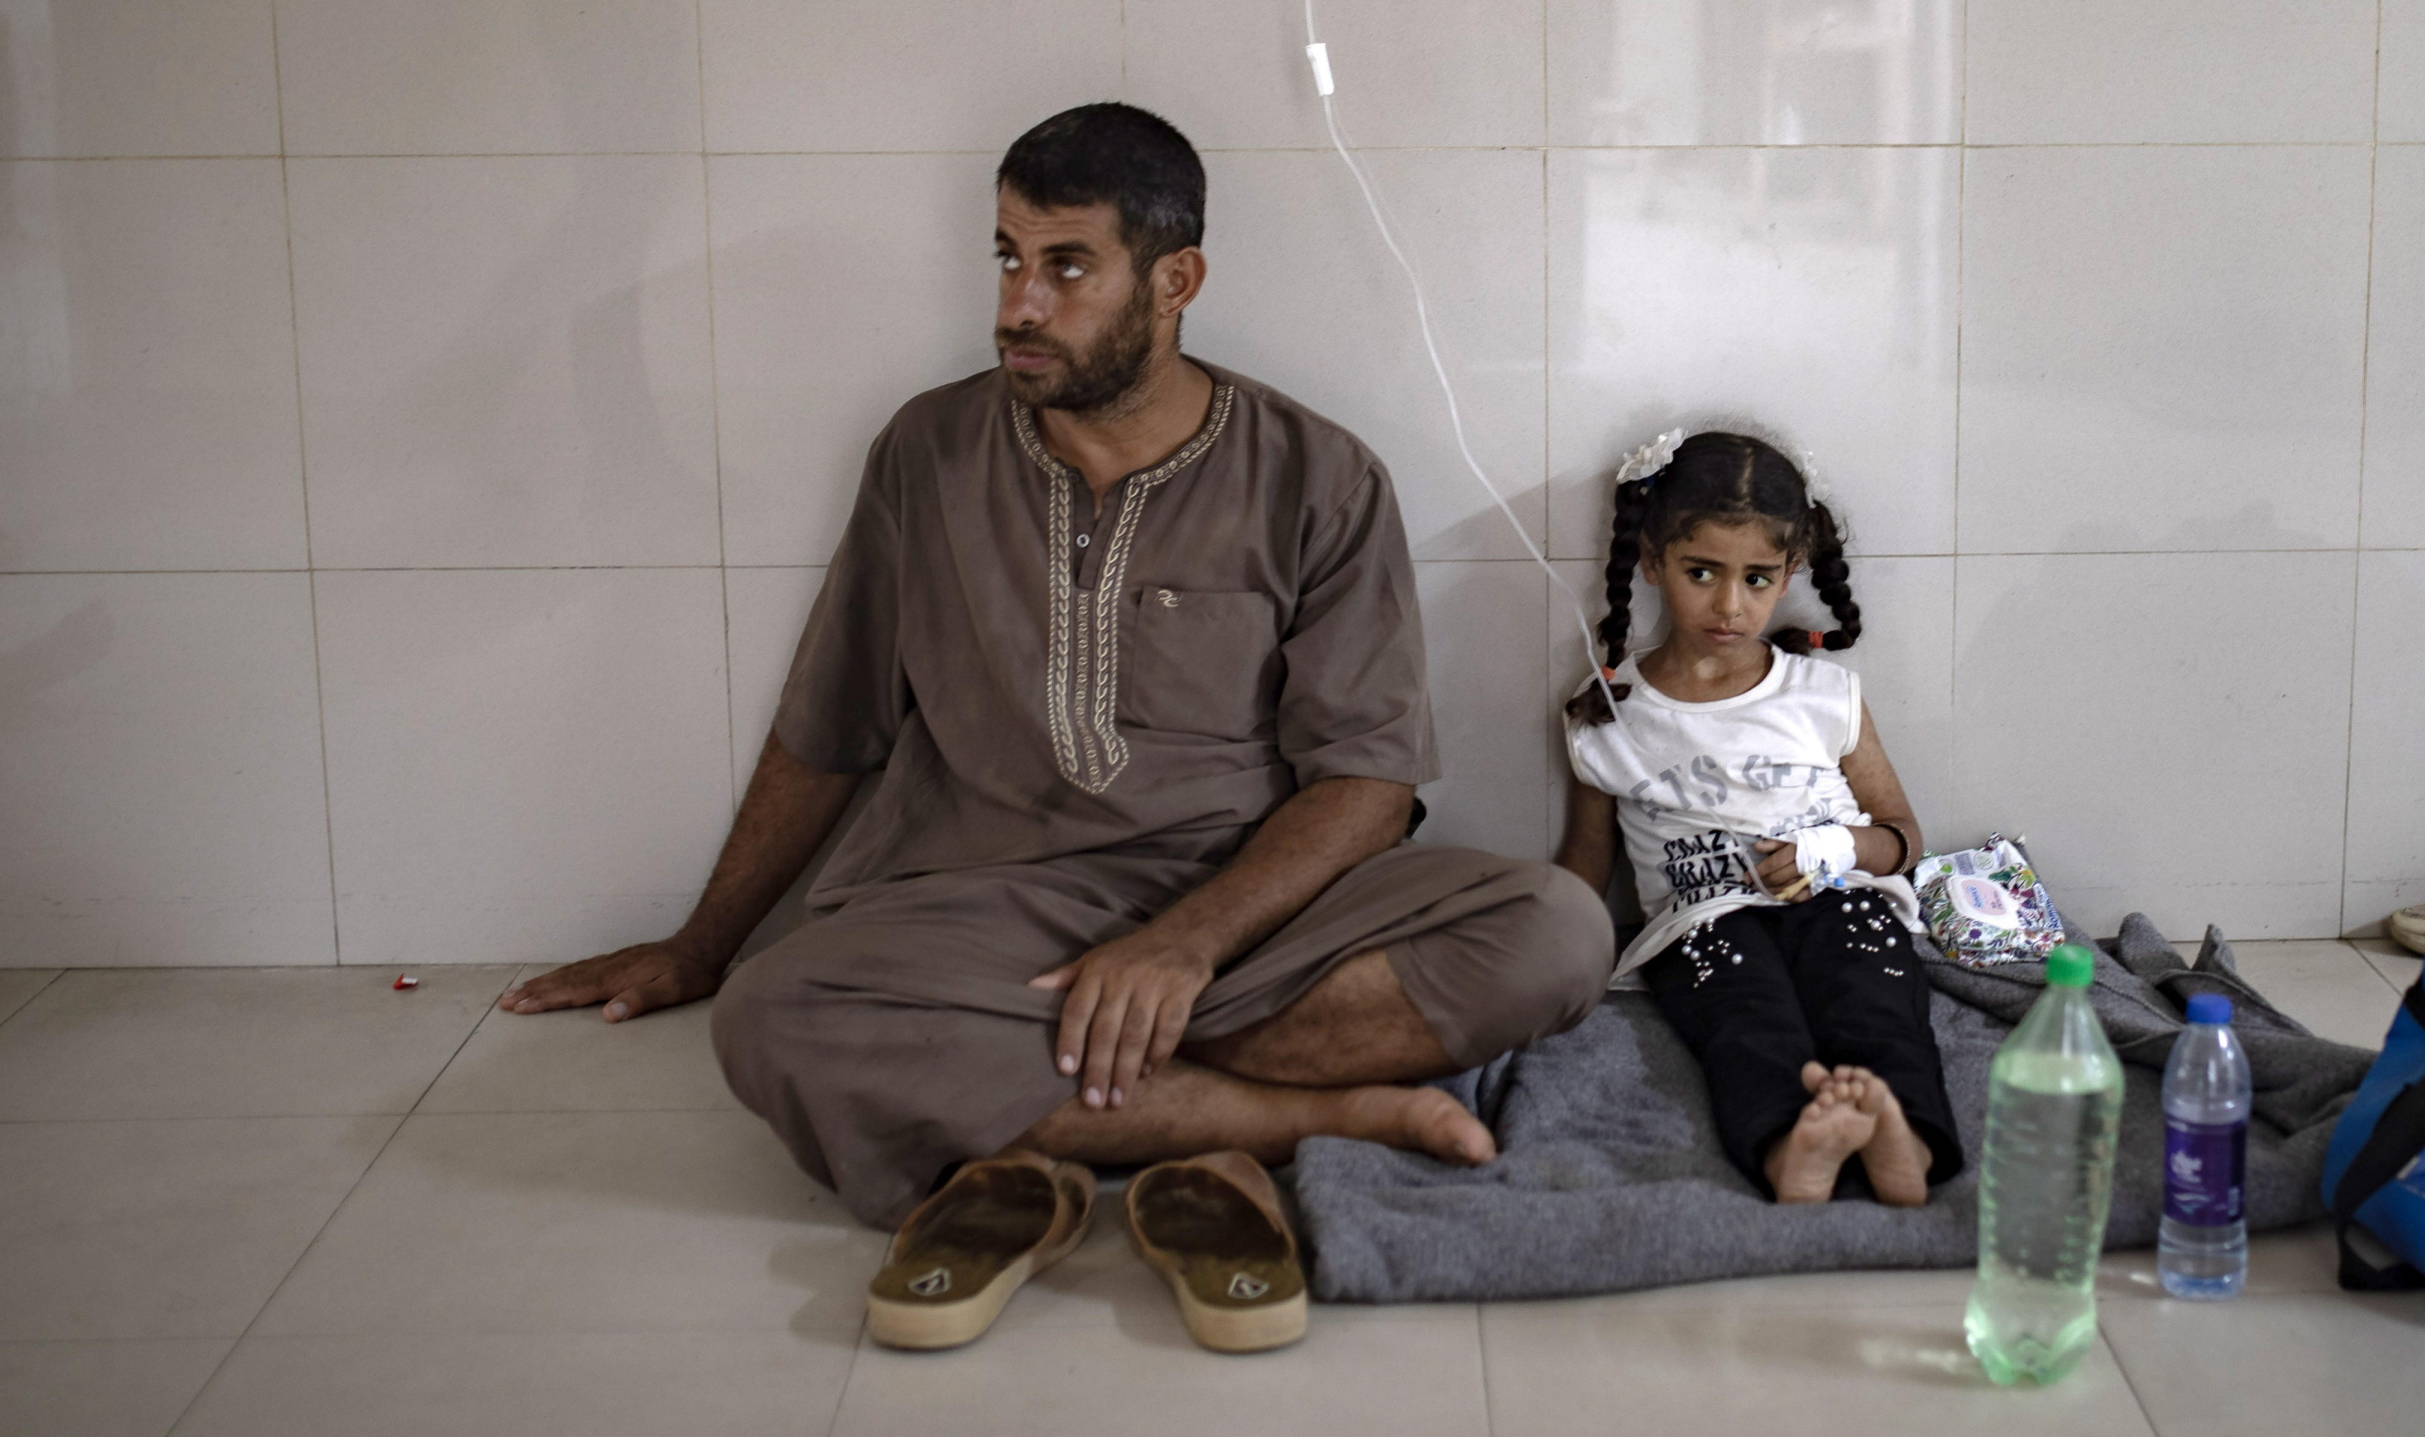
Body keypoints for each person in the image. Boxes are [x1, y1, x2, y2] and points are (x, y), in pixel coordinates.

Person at [499, 103, 1612, 1231]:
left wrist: (1181, 945)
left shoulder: (1316, 476)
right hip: (981, 906)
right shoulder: (927, 453)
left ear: (1175, 280)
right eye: (1009, 258)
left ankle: (1060, 1073)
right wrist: (703, 943)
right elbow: (831, 724)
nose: (1018, 306)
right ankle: (1319, 1114)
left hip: (1253, 918)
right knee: (772, 1014)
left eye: (1067, 266)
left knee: (1556, 928)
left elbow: (1366, 783)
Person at [1551, 429, 1961, 1207]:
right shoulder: (1608, 712)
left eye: (1757, 578)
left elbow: (1902, 837)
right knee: (1744, 1021)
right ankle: (1787, 1147)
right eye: (1701, 573)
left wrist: (1838, 849)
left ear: (1790, 573)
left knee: (1875, 997)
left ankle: (1901, 1135)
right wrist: (1543, 955)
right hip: (1701, 922)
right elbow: (1584, 862)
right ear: (1652, 560)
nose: (1729, 605)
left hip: (1839, 899)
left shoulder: (1820, 695)